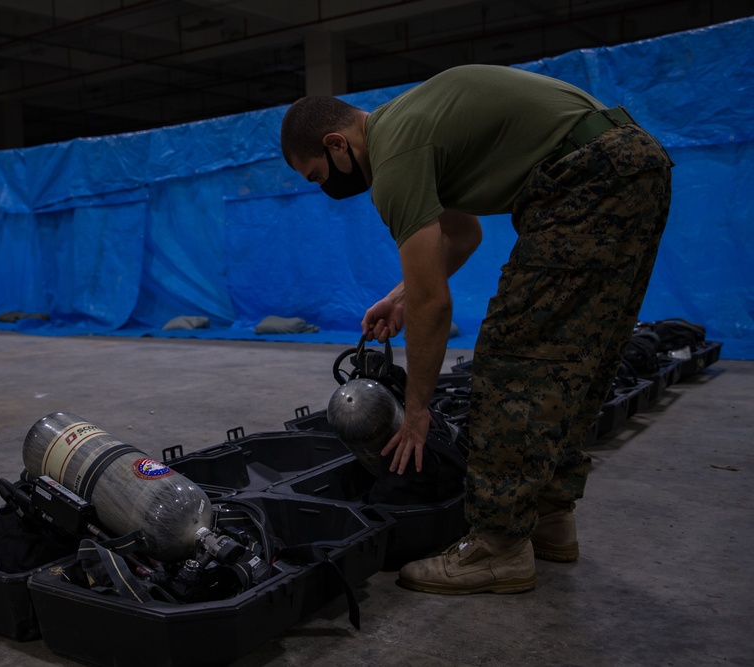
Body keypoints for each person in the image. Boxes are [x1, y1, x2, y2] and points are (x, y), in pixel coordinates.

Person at [279, 64, 672, 594]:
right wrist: (397, 297)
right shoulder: (413, 126)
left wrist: (416, 413)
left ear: (336, 144)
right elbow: (463, 237)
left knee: (513, 363)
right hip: (633, 163)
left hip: (586, 177)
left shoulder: (394, 157)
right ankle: (551, 517)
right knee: (577, 356)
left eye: (318, 176)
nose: (326, 189)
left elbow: (434, 304)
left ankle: (499, 548)